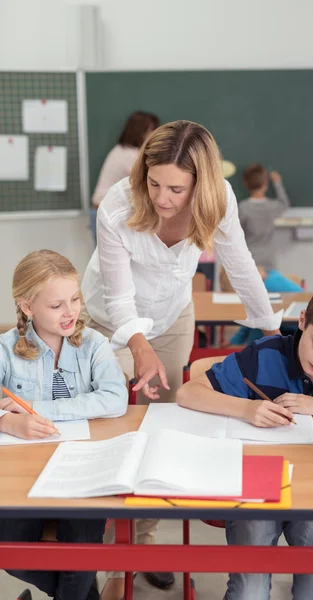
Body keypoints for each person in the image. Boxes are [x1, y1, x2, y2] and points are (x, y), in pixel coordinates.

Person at [81, 120, 283, 597]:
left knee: (163, 425)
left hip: (172, 319)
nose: (162, 198)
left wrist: (273, 328)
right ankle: (100, 554)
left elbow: (240, 266)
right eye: (153, 183)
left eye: (176, 188)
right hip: (108, 319)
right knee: (110, 422)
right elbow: (119, 294)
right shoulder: (118, 204)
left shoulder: (220, 201)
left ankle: (142, 545)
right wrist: (137, 345)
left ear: (202, 184)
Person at [177, 275, 313, 600]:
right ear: (303, 321)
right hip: (256, 489)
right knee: (248, 592)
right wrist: (246, 409)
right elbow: (187, 393)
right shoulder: (264, 355)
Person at [0, 250, 128, 600]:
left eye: (74, 299)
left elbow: (116, 399)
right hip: (23, 472)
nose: (70, 312)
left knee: (83, 550)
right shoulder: (7, 348)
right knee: (8, 550)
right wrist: (8, 423)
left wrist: (36, 409)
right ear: (27, 307)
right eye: (57, 305)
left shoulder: (93, 344)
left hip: (83, 469)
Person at [229, 163, 302, 345]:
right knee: (268, 305)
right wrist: (278, 183)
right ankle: (262, 341)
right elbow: (285, 203)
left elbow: (234, 232)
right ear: (265, 184)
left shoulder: (243, 207)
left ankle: (248, 342)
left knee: (253, 306)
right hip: (269, 263)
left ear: (246, 184)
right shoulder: (272, 207)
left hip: (251, 262)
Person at [90, 111, 160, 242]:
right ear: (140, 131)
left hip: (104, 210)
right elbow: (149, 180)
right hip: (107, 212)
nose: (155, 134)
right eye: (152, 129)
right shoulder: (130, 155)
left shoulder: (120, 150)